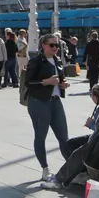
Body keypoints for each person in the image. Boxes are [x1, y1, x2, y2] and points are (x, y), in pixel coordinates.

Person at [25, 33, 71, 188]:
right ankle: (45, 169)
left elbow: (61, 78)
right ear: (43, 45)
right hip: (39, 102)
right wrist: (46, 82)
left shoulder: (57, 60)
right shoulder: (36, 61)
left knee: (64, 137)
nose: (55, 48)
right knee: (41, 135)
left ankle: (72, 168)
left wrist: (63, 84)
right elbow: (28, 82)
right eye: (52, 45)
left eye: (57, 45)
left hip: (56, 101)